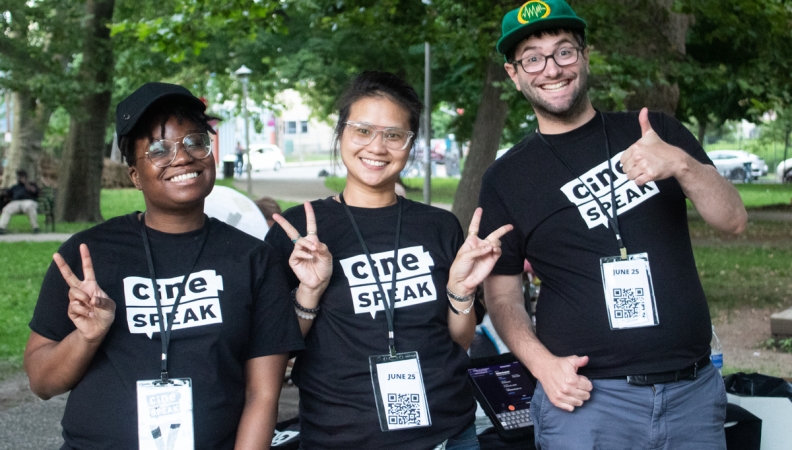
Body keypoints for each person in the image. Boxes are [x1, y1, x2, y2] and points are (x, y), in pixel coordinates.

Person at [477, 1, 747, 449]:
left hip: (692, 394)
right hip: (588, 405)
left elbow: (733, 221)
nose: (551, 68)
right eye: (533, 58)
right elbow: (502, 295)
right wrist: (542, 366)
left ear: (584, 56)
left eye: (564, 51)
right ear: (514, 73)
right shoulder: (506, 178)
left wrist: (682, 165)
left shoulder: (654, 132)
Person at [24, 82, 304, 449]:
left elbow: (262, 395)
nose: (184, 157)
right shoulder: (89, 254)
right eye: (159, 149)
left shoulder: (252, 259)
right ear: (135, 175)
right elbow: (42, 383)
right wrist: (86, 337)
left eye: (195, 142)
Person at [265, 71, 512, 449]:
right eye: (363, 130)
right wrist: (309, 292)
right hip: (342, 437)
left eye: (394, 135)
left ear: (410, 145)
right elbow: (275, 348)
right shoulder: (299, 232)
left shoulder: (439, 226)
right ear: (341, 134)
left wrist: (460, 291)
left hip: (448, 434)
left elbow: (461, 339)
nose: (377, 147)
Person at [0, 169, 40, 234]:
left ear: (26, 177)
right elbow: (7, 194)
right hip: (16, 203)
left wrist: (25, 183)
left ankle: (35, 227)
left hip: (29, 202)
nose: (19, 178)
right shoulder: (15, 187)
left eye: (21, 176)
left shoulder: (31, 184)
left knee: (30, 207)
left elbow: (34, 191)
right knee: (6, 209)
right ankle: (1, 228)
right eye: (19, 176)